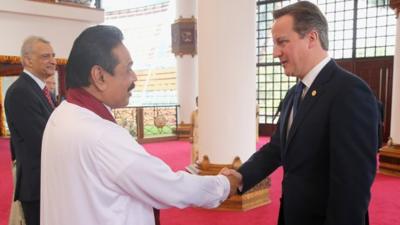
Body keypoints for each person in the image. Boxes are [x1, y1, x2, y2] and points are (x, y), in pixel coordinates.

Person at [40, 25, 238, 225]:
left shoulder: (60, 116)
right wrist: (224, 185)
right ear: (99, 76)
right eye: (128, 69)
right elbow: (169, 187)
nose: (134, 77)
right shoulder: (102, 135)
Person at [221, 2, 379, 225]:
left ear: (311, 38)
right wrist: (240, 176)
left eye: (282, 42)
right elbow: (277, 148)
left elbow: (352, 187)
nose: (276, 53)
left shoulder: (350, 92)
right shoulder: (295, 93)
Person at [5, 36, 56, 225]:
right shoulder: (21, 92)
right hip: (37, 187)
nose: (52, 60)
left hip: (49, 183)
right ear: (27, 60)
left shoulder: (42, 91)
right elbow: (42, 140)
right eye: (45, 56)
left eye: (53, 55)